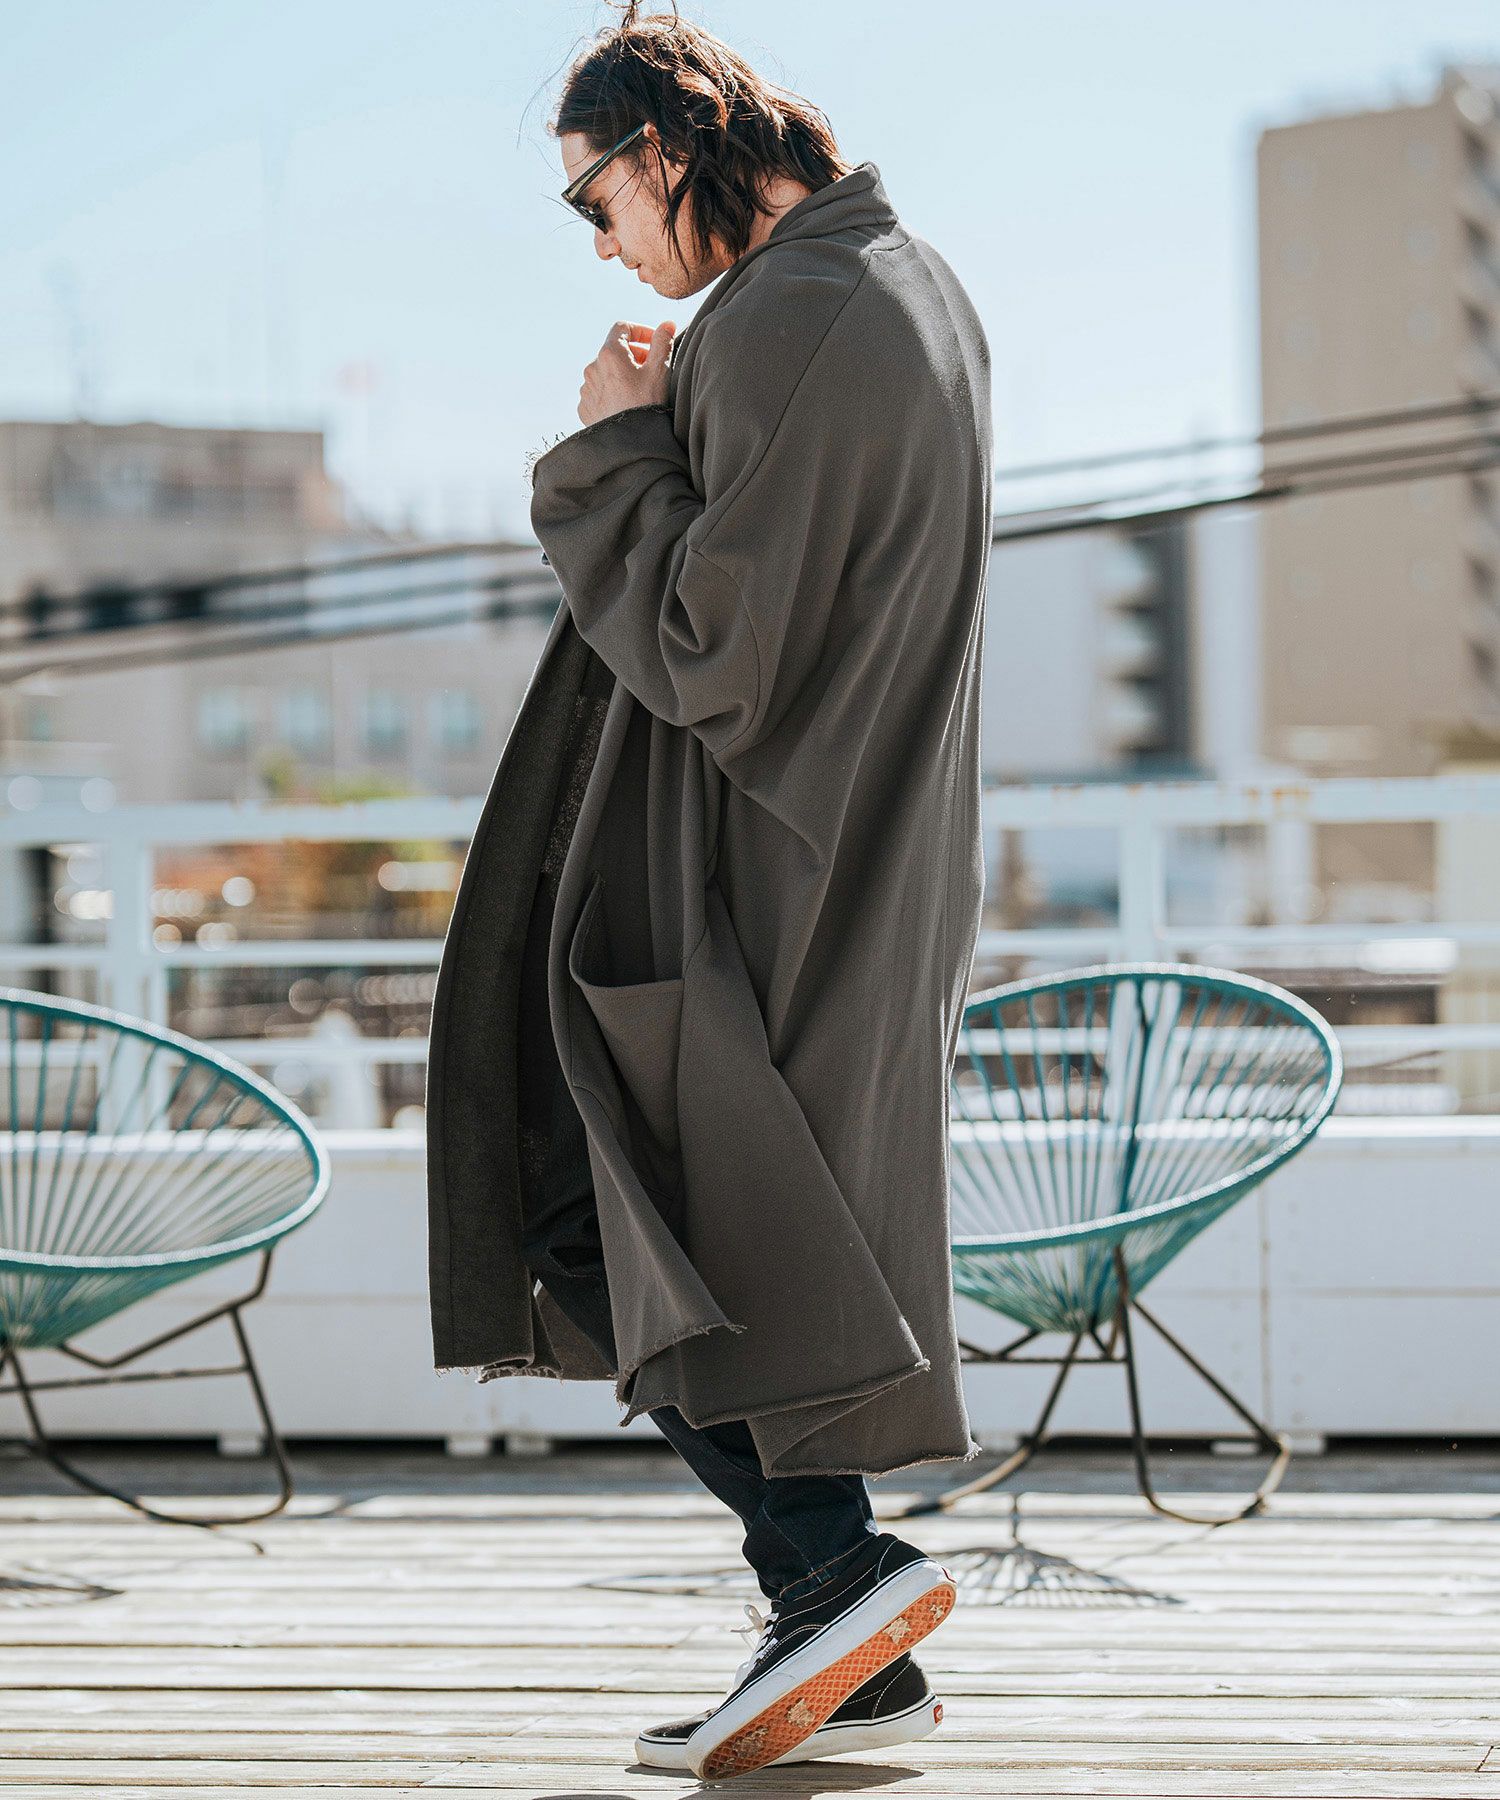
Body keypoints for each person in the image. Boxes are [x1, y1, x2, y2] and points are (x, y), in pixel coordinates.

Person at [430, 0, 993, 1778]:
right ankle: (844, 1628)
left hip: (757, 875)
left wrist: (614, 442)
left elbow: (709, 648)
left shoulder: (790, 314)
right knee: (712, 1236)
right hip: (837, 855)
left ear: (665, 151)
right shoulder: (898, 287)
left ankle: (836, 1576)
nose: (601, 245)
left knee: (607, 1211)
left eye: (593, 201)